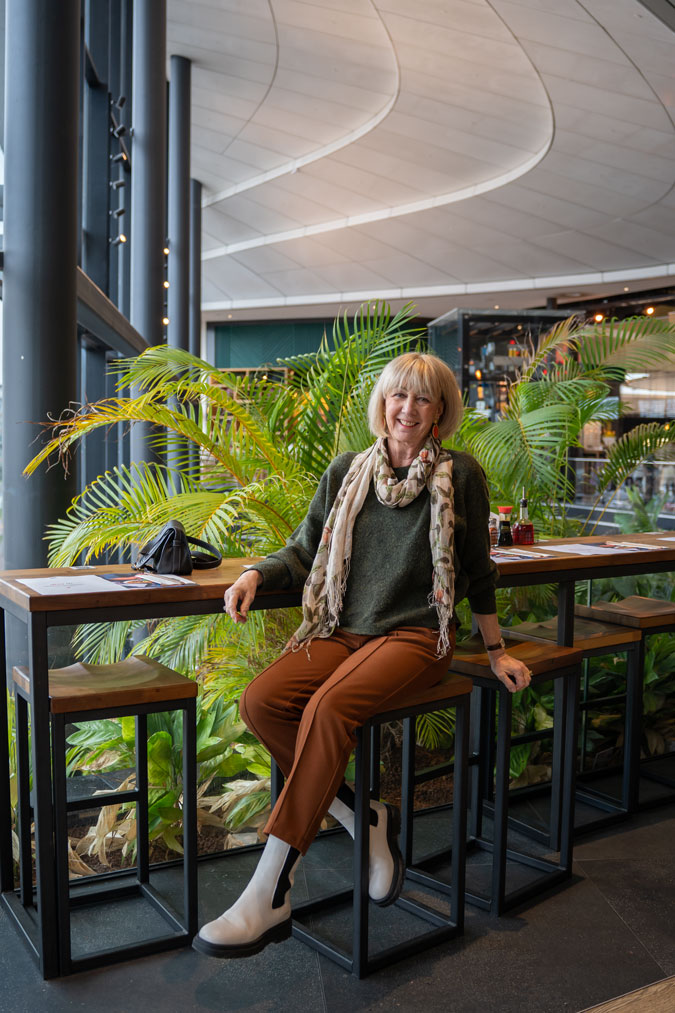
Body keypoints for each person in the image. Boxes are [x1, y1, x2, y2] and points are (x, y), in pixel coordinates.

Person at [193, 351, 531, 959]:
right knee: (261, 701)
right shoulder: (348, 470)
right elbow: (301, 552)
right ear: (384, 403)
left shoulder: (463, 475)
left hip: (417, 637)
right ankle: (362, 815)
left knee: (327, 710)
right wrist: (251, 573)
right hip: (343, 630)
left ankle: (270, 892)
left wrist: (497, 648)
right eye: (399, 395)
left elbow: (478, 570)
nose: (408, 408)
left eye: (422, 399)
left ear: (440, 412)